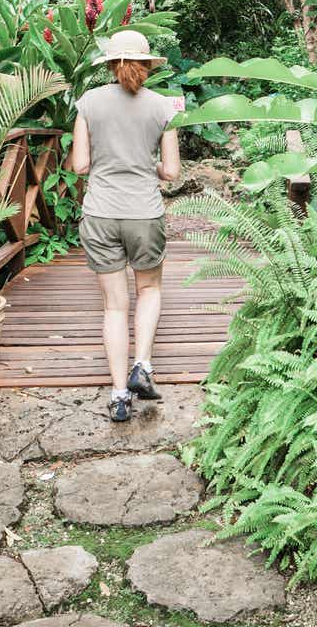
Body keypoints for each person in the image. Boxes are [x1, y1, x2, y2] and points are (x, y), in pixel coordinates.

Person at [69, 30, 182, 422]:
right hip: (144, 213)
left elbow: (80, 165)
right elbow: (171, 171)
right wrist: (144, 164)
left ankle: (119, 397)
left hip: (100, 212)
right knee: (148, 288)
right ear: (148, 65)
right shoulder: (164, 107)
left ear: (110, 65)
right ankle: (143, 366)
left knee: (114, 307)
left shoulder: (89, 103)